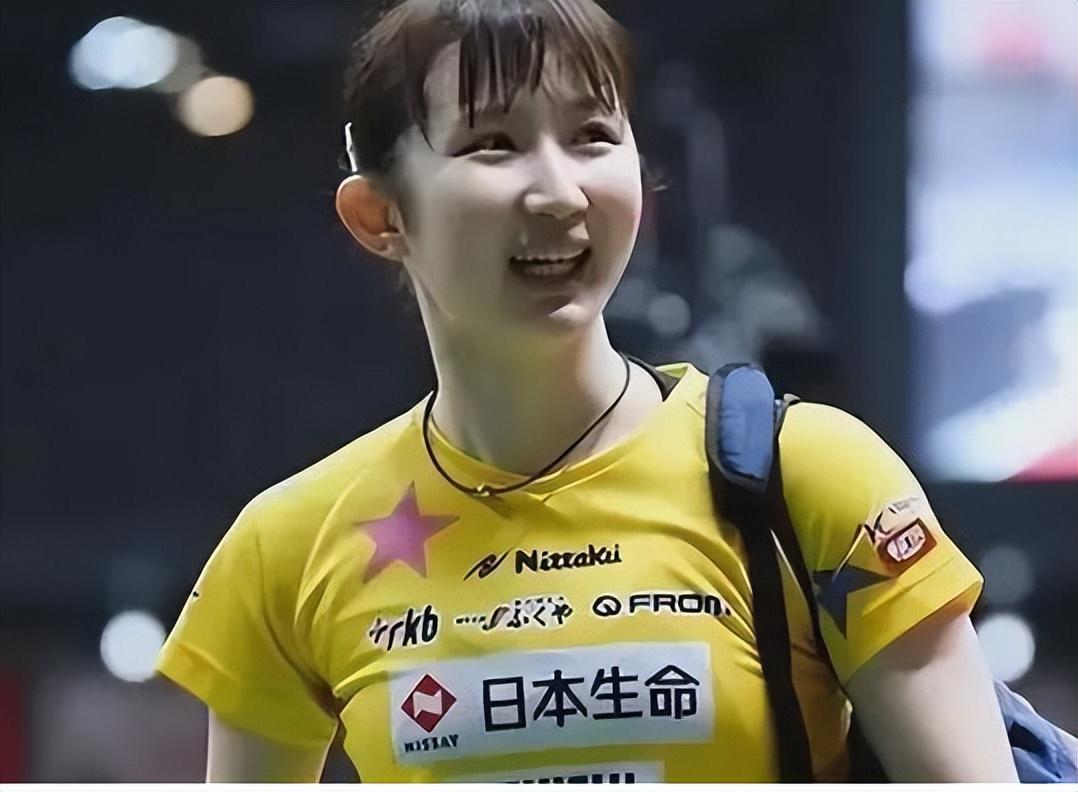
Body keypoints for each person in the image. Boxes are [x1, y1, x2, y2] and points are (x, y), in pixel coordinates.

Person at [154, 0, 1020, 782]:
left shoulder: (813, 479)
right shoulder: (288, 546)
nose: (560, 191)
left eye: (593, 136)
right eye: (493, 144)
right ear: (382, 217)